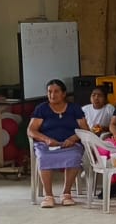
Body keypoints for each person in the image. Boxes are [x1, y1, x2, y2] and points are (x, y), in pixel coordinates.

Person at [27, 79, 86, 207]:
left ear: (64, 93)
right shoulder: (42, 109)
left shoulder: (74, 108)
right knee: (43, 157)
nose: (52, 95)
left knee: (74, 156)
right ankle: (48, 196)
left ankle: (66, 193)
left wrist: (73, 139)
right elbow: (31, 130)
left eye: (56, 91)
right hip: (46, 145)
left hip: (70, 144)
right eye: (49, 92)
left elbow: (85, 130)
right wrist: (46, 139)